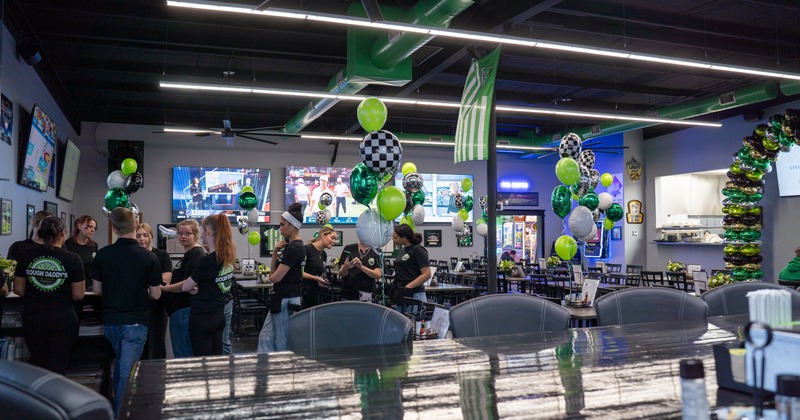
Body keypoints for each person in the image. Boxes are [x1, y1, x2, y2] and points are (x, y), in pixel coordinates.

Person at [91, 207, 162, 416]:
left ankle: (118, 409)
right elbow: (156, 294)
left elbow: (96, 290)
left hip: (111, 321)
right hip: (136, 323)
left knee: (121, 367)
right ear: (135, 225)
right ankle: (121, 414)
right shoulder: (148, 257)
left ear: (114, 228)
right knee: (126, 371)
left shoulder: (103, 254)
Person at [13, 216, 85, 374]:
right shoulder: (73, 259)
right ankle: (56, 397)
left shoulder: (26, 255)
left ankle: (39, 397)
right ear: (63, 233)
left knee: (38, 365)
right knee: (58, 366)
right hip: (63, 318)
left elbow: (18, 289)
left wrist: (37, 293)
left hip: (34, 317)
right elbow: (79, 294)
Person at [171, 214, 235, 356]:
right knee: (216, 361)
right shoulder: (226, 256)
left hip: (203, 318)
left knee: (202, 363)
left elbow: (186, 286)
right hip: (219, 316)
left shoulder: (207, 260)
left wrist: (163, 288)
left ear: (208, 232)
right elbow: (214, 283)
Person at [257, 203, 305, 353]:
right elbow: (274, 273)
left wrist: (272, 277)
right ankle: (265, 367)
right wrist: (275, 252)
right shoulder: (289, 248)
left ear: (292, 225)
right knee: (265, 337)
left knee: (282, 339)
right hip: (280, 298)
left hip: (286, 299)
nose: (280, 228)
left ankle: (282, 370)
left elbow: (275, 277)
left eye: (282, 225)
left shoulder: (295, 248)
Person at [161, 219, 205, 358]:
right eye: (180, 233)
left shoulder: (196, 254)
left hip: (184, 310)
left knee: (183, 354)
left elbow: (187, 285)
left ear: (196, 235)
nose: (183, 236)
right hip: (179, 311)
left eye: (188, 233)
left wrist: (163, 289)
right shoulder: (188, 254)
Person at [136, 222, 173, 359]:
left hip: (158, 307)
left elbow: (166, 278)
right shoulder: (134, 256)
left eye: (145, 235)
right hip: (139, 307)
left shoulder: (162, 255)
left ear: (151, 236)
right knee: (141, 344)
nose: (142, 239)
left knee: (158, 343)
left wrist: (144, 284)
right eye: (138, 235)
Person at [391, 224, 432, 311]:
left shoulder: (418, 250)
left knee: (414, 323)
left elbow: (427, 274)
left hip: (414, 294)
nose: (393, 239)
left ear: (404, 238)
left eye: (395, 237)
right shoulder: (403, 250)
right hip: (401, 293)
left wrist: (408, 287)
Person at [301, 226, 335, 309]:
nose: (334, 241)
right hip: (303, 293)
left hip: (315, 293)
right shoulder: (306, 250)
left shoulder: (324, 254)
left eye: (335, 239)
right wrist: (314, 278)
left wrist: (322, 280)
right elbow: (299, 272)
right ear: (323, 235)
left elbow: (318, 273)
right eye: (332, 238)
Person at [64, 215, 98, 290]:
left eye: (94, 228)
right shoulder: (67, 244)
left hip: (89, 285)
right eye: (90, 227)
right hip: (72, 285)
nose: (93, 230)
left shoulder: (93, 245)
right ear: (80, 226)